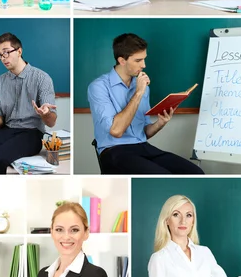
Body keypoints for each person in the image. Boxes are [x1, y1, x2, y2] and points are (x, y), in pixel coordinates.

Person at [87, 33, 204, 174]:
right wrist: (138, 93)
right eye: (138, 60)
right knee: (162, 176)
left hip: (142, 147)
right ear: (122, 60)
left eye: (144, 59)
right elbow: (116, 131)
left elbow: (144, 133)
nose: (144, 65)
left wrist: (160, 123)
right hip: (114, 151)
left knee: (195, 172)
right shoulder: (99, 87)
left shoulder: (142, 86)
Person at [0, 32, 56, 174]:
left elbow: (51, 122)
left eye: (6, 52)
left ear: (19, 51)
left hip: (31, 133)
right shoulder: (0, 81)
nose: (3, 58)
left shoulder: (42, 78)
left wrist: (45, 114)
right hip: (6, 131)